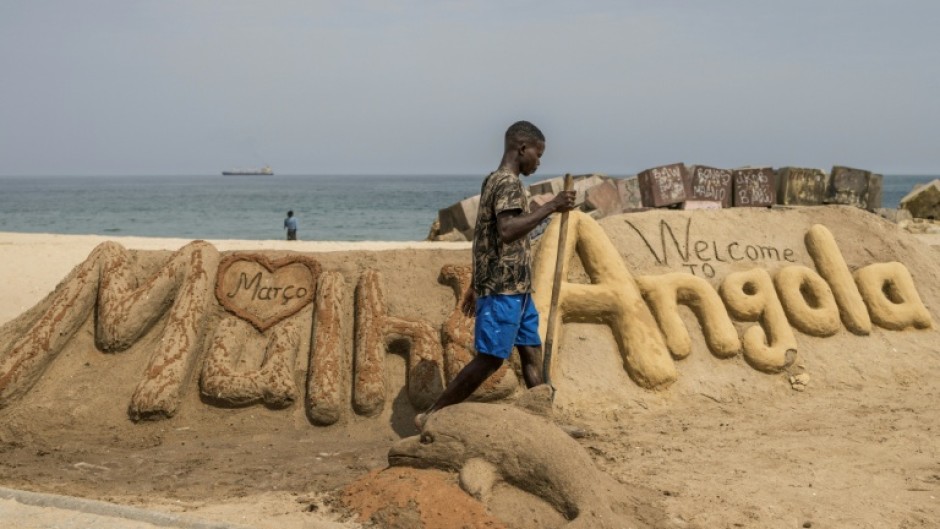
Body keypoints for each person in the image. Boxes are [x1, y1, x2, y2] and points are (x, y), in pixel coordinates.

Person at [415, 120, 576, 429]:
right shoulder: (507, 183)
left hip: (517, 287)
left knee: (531, 350)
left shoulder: (493, 181)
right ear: (522, 148)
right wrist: (552, 205)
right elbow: (506, 230)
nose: (539, 163)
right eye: (538, 155)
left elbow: (483, 237)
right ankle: (432, 415)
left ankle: (546, 420)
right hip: (503, 289)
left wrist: (476, 282)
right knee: (490, 358)